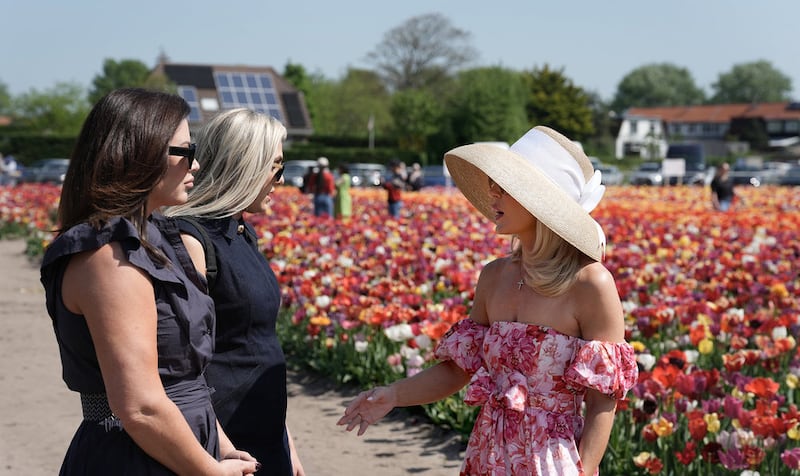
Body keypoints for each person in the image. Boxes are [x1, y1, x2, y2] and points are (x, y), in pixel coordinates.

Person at [339, 126, 639, 476]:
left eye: (504, 186)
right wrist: (393, 395)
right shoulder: (494, 276)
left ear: (539, 200)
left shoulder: (590, 282)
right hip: (488, 451)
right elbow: (458, 369)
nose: (492, 194)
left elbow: (603, 398)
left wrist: (585, 469)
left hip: (554, 459)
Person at [39, 88, 259, 475]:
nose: (196, 165)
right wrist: (208, 470)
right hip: (135, 455)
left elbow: (184, 377)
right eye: (185, 152)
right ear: (139, 154)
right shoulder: (106, 256)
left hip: (181, 445)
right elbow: (139, 406)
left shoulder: (155, 238)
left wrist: (221, 446)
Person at [164, 108, 305, 476]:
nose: (280, 180)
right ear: (245, 166)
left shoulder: (241, 232)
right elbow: (183, 362)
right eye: (276, 167)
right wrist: (217, 449)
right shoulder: (191, 239)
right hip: (225, 436)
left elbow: (258, 344)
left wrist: (285, 442)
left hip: (264, 428)